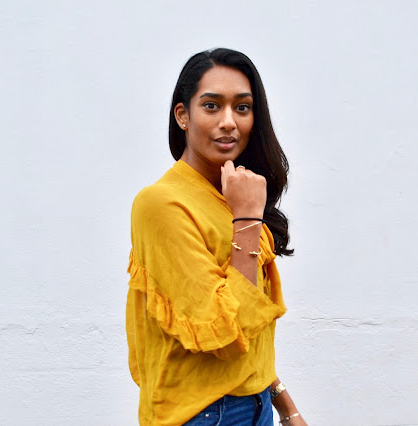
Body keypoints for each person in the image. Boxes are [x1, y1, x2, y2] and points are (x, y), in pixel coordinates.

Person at [126, 48, 307, 426]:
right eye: (211, 106)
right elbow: (224, 332)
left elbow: (250, 334)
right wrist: (248, 218)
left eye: (242, 107)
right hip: (205, 415)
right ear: (182, 115)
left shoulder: (232, 195)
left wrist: (285, 406)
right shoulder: (162, 204)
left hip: (256, 406)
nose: (229, 121)